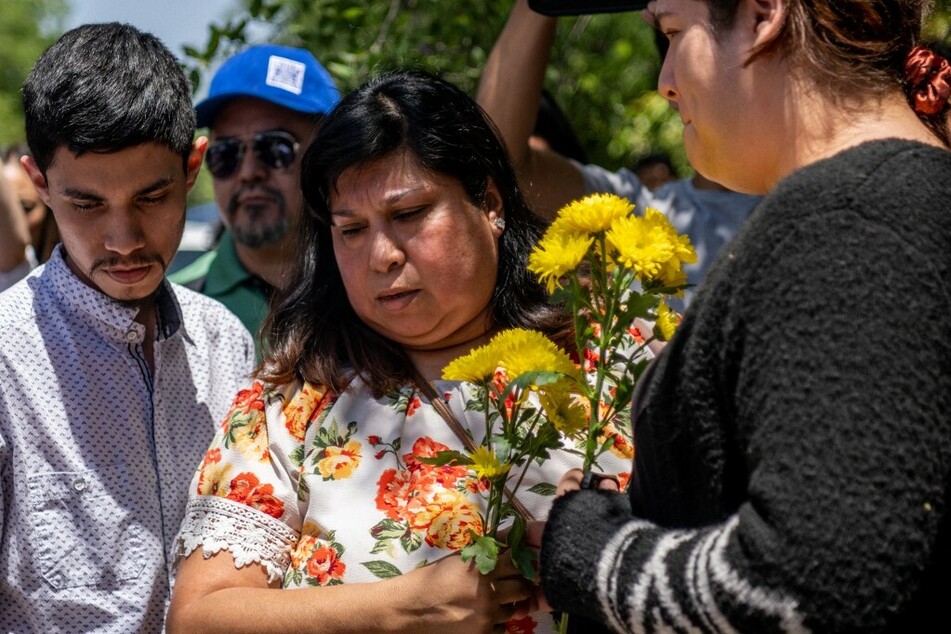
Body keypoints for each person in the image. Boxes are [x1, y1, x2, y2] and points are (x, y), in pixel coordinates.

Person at [529, 0, 951, 632]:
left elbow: (813, 582)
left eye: (673, 33)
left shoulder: (849, 223)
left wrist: (590, 547)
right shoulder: (883, 205)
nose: (664, 80)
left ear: (762, 15)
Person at [166, 69, 631, 634]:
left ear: (489, 202)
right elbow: (200, 618)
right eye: (351, 229)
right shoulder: (291, 400)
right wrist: (404, 608)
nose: (381, 254)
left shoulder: (613, 361)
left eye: (408, 215)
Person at [0, 23, 256, 632]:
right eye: (87, 205)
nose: (124, 241)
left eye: (151, 197)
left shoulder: (227, 346)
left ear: (192, 168)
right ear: (41, 184)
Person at [478, 0, 762, 306]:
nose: (665, 84)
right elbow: (499, 163)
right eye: (669, 37)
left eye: (677, 32)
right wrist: (535, 6)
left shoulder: (807, 204)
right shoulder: (636, 215)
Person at [170, 45, 340, 354]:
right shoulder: (170, 310)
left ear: (329, 156)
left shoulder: (378, 290)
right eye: (227, 154)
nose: (248, 172)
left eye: (275, 148)